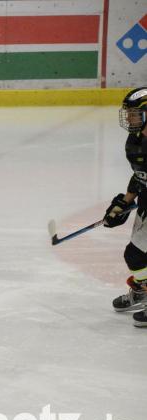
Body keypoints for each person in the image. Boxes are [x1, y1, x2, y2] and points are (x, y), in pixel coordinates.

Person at [104, 87, 147, 328]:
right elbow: (140, 175)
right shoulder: (135, 140)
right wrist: (124, 202)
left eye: (134, 113)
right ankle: (142, 290)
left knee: (136, 254)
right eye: (128, 113)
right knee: (137, 255)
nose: (129, 118)